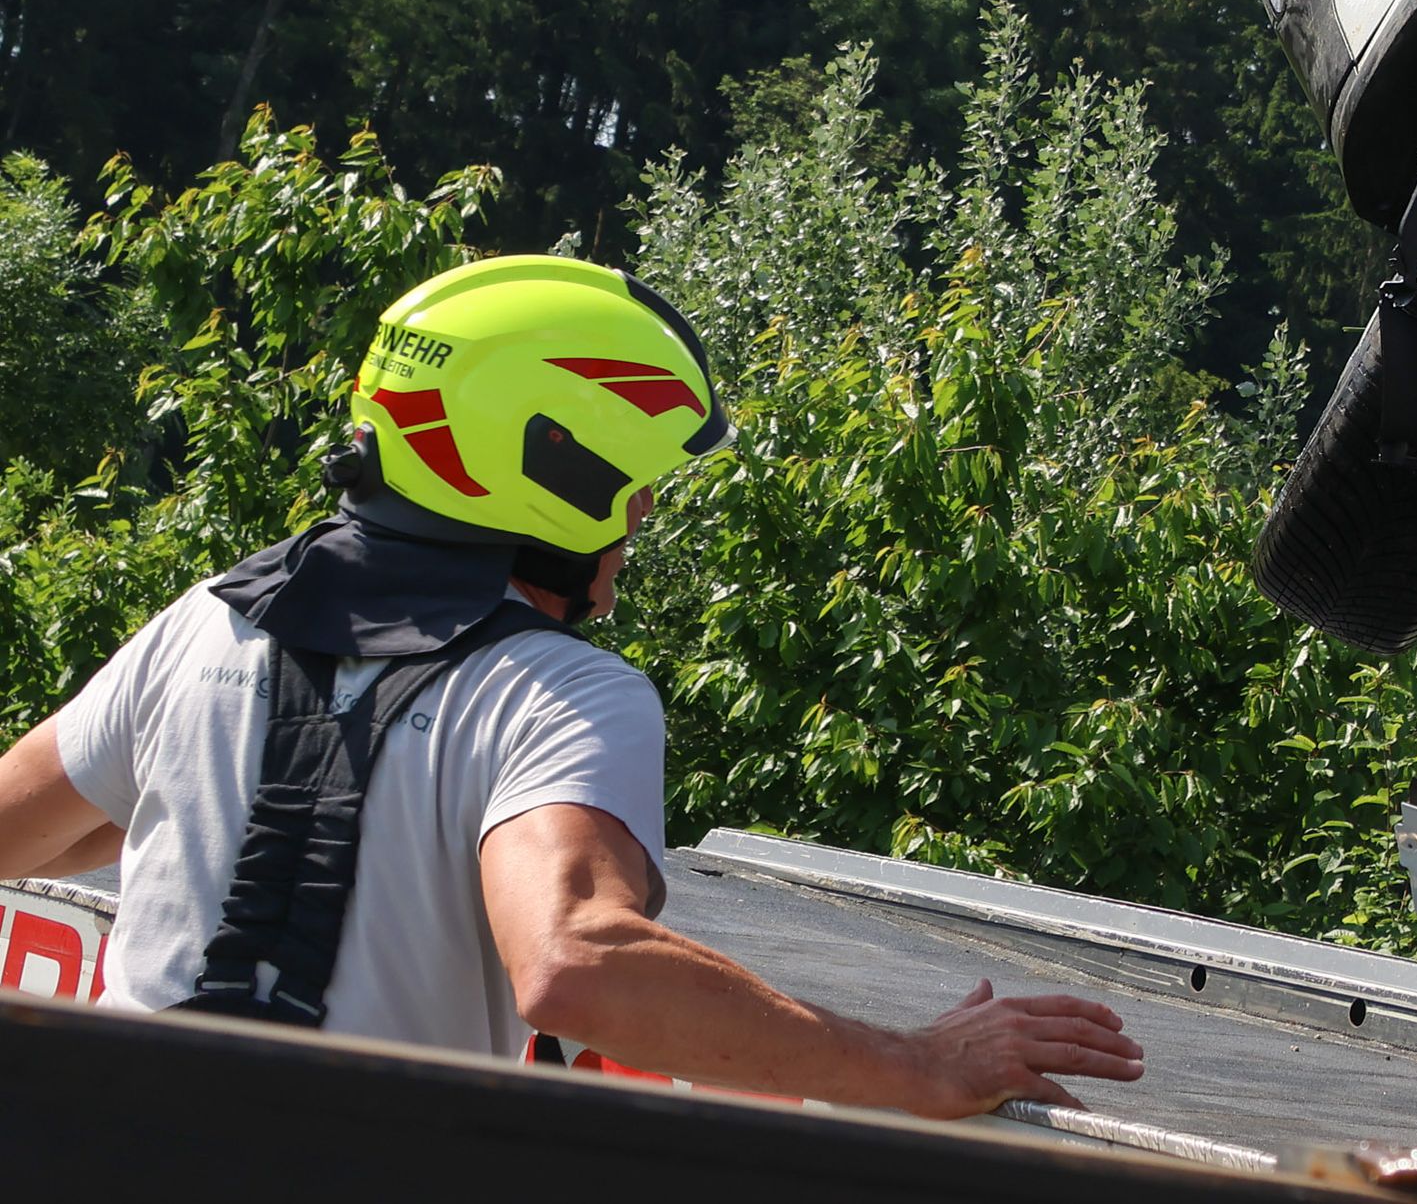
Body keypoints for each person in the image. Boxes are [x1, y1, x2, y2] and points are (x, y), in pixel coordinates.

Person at [0, 255, 1144, 1115]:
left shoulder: (205, 624)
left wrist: (214, 794)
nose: (638, 515)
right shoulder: (555, 692)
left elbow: (21, 830)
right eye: (634, 483)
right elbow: (577, 964)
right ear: (553, 463)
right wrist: (917, 1062)